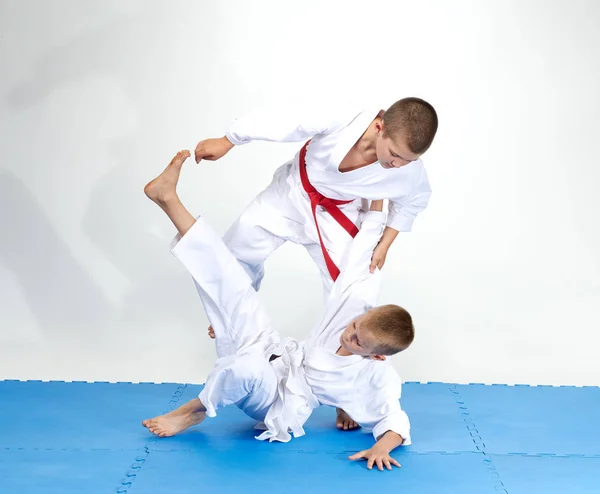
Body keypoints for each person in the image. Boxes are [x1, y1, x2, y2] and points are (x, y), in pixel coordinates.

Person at [142, 150, 415, 471]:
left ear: (377, 356)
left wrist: (381, 446)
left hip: (274, 398)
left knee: (246, 369)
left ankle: (195, 409)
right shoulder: (357, 311)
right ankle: (167, 198)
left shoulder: (376, 376)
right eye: (355, 325)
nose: (348, 334)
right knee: (232, 281)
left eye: (357, 342)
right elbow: (363, 255)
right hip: (273, 348)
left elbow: (394, 419)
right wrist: (379, 192)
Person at [194, 97, 437, 299]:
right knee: (241, 240)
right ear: (378, 127)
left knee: (355, 283)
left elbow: (412, 201)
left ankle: (345, 351)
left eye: (408, 159)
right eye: (395, 154)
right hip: (292, 191)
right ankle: (233, 311)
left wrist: (384, 244)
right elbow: (285, 121)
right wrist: (229, 140)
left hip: (339, 212)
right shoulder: (342, 117)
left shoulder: (409, 170)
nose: (399, 164)